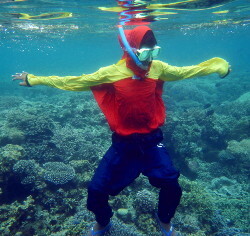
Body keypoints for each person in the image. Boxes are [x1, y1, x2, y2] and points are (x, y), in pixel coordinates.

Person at [12, 26, 230, 236]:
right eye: (146, 53)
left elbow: (186, 71)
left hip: (152, 141)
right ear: (131, 50)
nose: (151, 58)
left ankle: (164, 218)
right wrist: (34, 79)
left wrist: (216, 65)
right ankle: (103, 222)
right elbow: (74, 82)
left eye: (156, 51)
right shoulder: (112, 72)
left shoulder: (158, 68)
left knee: (172, 186)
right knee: (96, 191)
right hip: (123, 144)